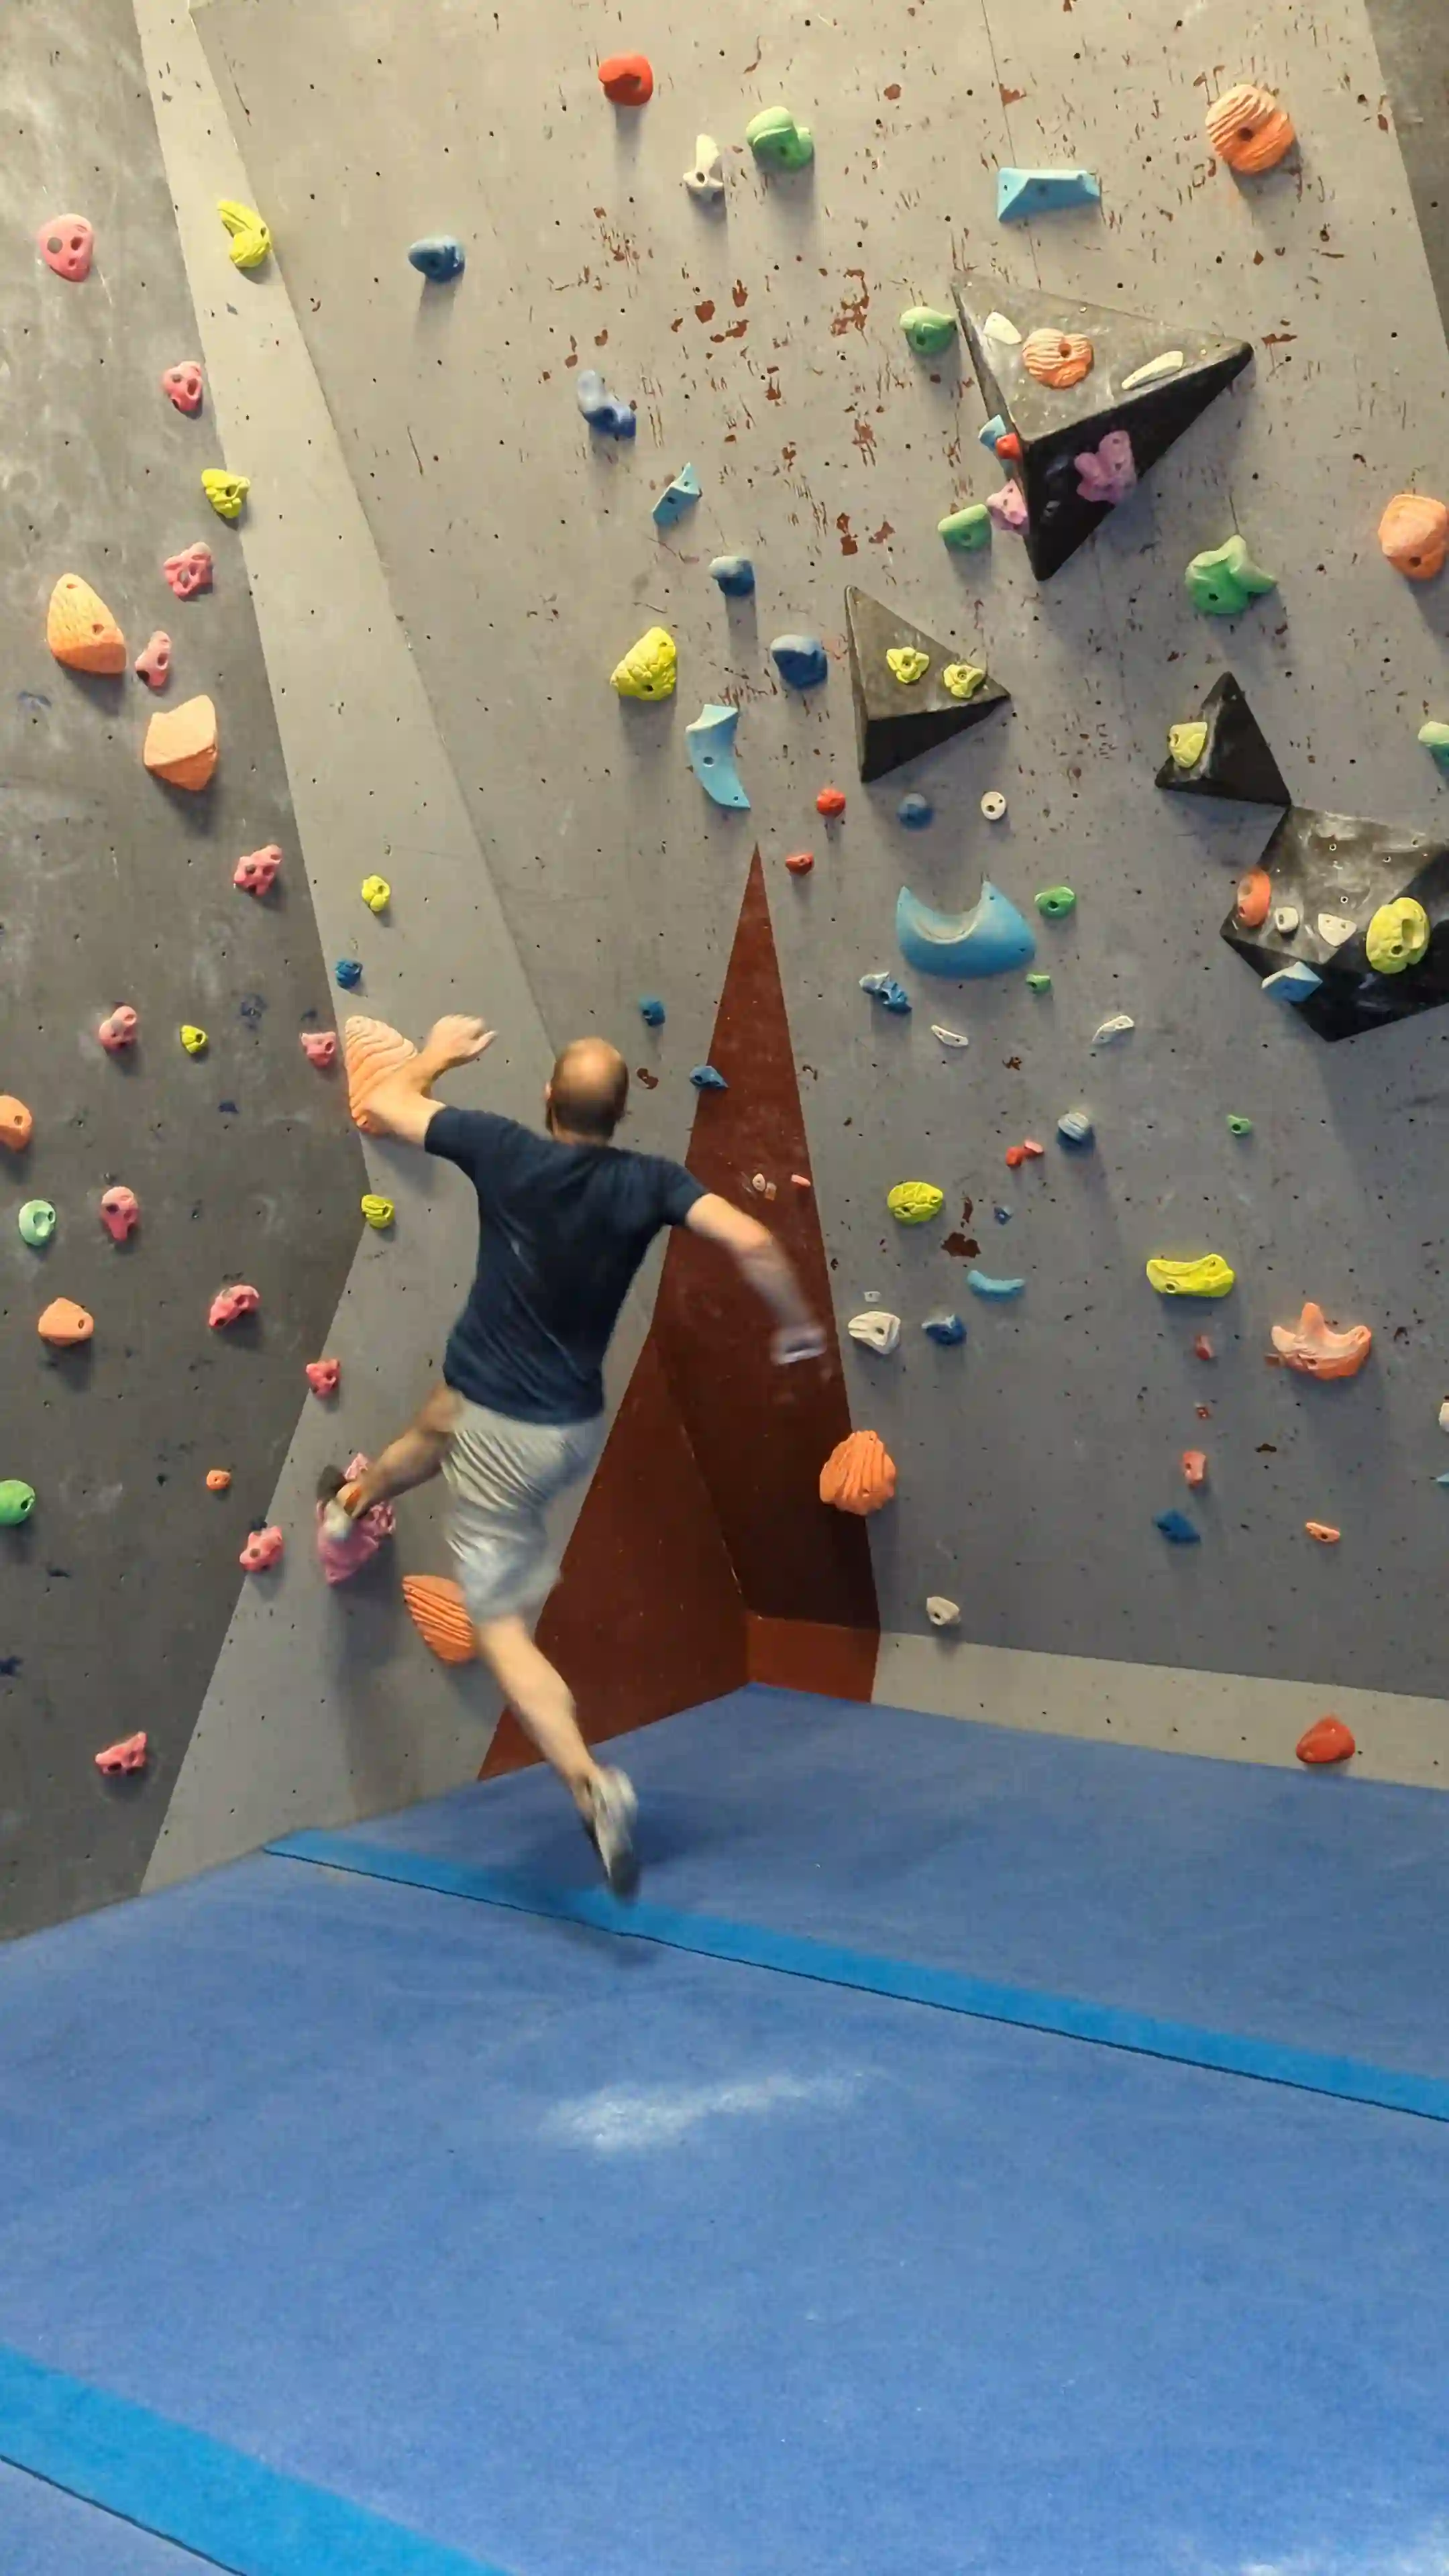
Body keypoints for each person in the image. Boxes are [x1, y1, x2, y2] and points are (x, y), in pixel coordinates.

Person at [321, 1016, 824, 1894]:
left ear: (549, 1099)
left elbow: (387, 1101)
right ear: (621, 1115)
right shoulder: (650, 1182)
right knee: (439, 1426)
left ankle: (591, 1786)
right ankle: (351, 1504)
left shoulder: (502, 1149)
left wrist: (439, 1051)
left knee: (501, 1628)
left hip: (502, 1431)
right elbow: (749, 1239)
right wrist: (796, 1326)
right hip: (550, 1425)